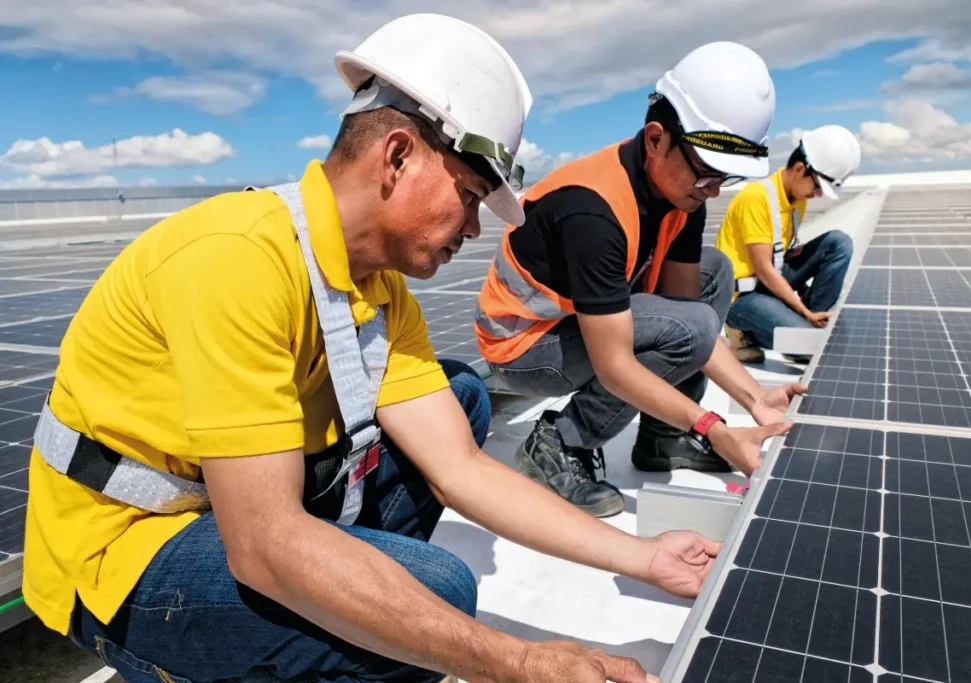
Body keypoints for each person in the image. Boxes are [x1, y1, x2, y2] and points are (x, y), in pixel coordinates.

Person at [23, 14, 723, 683]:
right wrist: (512, 659)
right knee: (439, 591)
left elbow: (460, 470)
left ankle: (345, 618)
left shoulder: (382, 293)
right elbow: (264, 544)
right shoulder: (236, 262)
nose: (475, 228)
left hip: (234, 508)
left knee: (460, 401)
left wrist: (643, 557)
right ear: (397, 156)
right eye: (473, 194)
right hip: (124, 555)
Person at [474, 41, 805, 519]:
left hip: (576, 327)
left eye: (724, 180)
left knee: (714, 272)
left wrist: (755, 398)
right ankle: (558, 444)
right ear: (656, 139)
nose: (712, 190)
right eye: (708, 173)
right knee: (685, 328)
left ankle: (661, 439)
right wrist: (714, 427)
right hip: (524, 348)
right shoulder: (593, 210)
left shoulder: (683, 193)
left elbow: (693, 317)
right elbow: (616, 364)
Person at [717, 125, 862, 363]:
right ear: (799, 169)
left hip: (768, 280)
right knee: (811, 346)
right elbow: (764, 269)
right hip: (742, 296)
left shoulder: (796, 199)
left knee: (839, 243)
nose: (818, 195)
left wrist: (804, 300)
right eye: (817, 187)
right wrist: (802, 310)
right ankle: (740, 329)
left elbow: (782, 257)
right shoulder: (756, 197)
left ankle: (805, 325)